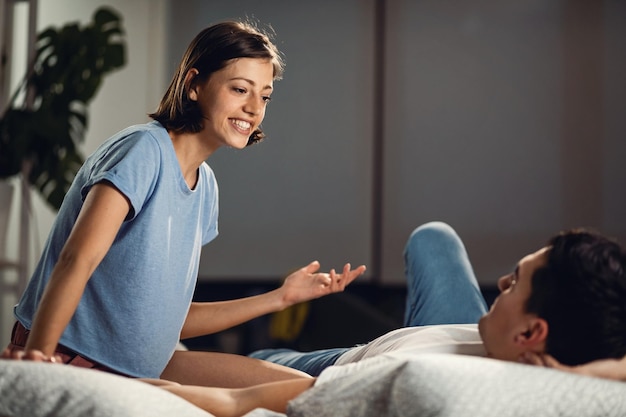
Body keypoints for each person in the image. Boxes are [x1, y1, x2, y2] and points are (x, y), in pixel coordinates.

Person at [1, 20, 366, 387]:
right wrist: (38, 361)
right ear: (194, 85)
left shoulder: (205, 186)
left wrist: (282, 297)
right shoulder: (143, 151)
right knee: (254, 400)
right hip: (72, 357)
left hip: (142, 365)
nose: (255, 108)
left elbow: (170, 319)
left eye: (265, 95)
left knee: (301, 387)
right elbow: (76, 259)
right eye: (241, 89)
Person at [125, 220, 626, 416]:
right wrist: (590, 374)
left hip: (355, 363)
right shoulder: (564, 354)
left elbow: (239, 400)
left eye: (516, 283)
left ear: (530, 333)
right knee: (435, 237)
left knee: (258, 358)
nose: (502, 283)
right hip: (453, 330)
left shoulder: (433, 385)